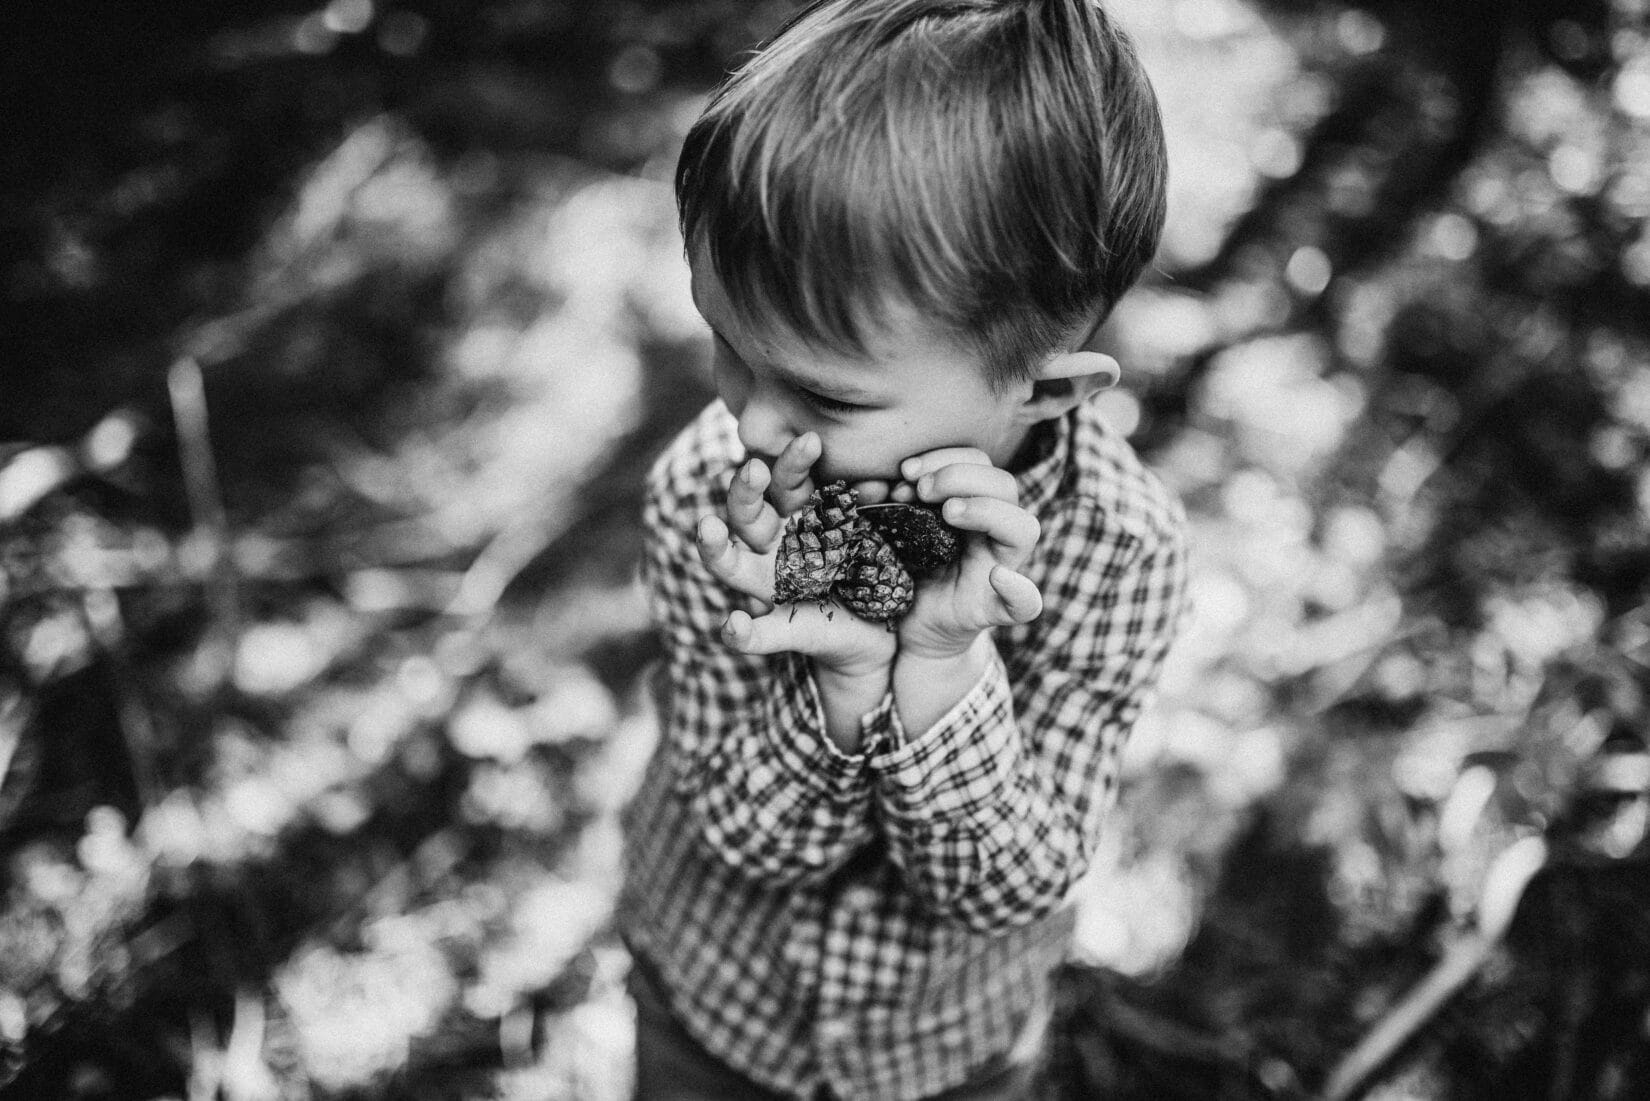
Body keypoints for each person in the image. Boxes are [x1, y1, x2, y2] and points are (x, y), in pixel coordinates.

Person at [618, 1, 1189, 1098]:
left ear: (1043, 392)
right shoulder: (710, 495)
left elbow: (1006, 888)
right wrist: (835, 687)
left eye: (827, 396)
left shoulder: (1119, 552)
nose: (754, 422)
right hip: (713, 1010)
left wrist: (941, 668)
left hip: (943, 1054)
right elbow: (747, 841)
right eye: (729, 349)